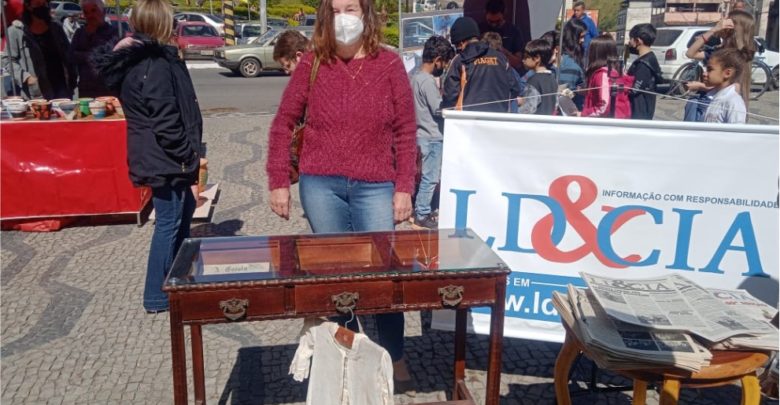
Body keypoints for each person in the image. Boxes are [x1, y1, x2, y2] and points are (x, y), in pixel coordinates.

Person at [265, 0, 417, 393]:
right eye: (335, 10)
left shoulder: (389, 64)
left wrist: (404, 187)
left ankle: (394, 354)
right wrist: (278, 179)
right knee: (336, 276)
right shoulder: (312, 63)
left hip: (376, 185)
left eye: (350, 8)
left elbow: (406, 130)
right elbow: (283, 122)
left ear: (366, 13)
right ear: (324, 16)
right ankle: (347, 357)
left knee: (385, 275)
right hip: (321, 185)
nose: (343, 17)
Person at [93, 0, 203, 313]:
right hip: (164, 156)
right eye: (171, 21)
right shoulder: (152, 64)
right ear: (160, 24)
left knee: (183, 211)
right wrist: (187, 154)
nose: (175, 26)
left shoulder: (152, 58)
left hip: (162, 154)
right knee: (169, 221)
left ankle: (177, 278)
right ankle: (157, 294)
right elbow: (165, 119)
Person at [411, 36, 454, 230]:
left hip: (421, 134)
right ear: (437, 60)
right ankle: (422, 213)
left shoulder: (414, 77)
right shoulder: (427, 81)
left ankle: (420, 208)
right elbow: (438, 109)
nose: (443, 66)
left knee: (424, 176)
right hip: (432, 136)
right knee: (431, 177)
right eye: (444, 62)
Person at [441, 16, 519, 113]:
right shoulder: (501, 58)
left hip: (468, 119)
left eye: (457, 46)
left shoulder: (459, 60)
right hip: (499, 118)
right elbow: (514, 88)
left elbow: (450, 96)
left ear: (461, 43)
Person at [4, 0, 75, 100]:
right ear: (28, 6)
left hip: (62, 89)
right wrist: (26, 77)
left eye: (44, 3)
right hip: (36, 93)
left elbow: (68, 54)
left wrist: (73, 76)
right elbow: (8, 60)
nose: (43, 6)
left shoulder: (56, 28)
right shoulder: (16, 31)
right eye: (38, 3)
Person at [684, 10, 755, 108]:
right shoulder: (719, 50)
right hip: (710, 101)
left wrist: (701, 86)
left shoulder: (739, 55)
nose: (721, 22)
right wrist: (712, 31)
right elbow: (690, 53)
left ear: (733, 27)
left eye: (726, 20)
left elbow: (732, 87)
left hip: (719, 105)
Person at [70, 0, 118, 98]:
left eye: (93, 10)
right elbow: (71, 56)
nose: (90, 15)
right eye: (86, 12)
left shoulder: (114, 33)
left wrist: (85, 55)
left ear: (103, 12)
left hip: (108, 90)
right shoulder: (79, 33)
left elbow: (108, 58)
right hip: (86, 90)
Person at [627, 23, 662, 120]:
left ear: (638, 41)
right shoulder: (649, 58)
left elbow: (635, 89)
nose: (629, 42)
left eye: (631, 39)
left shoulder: (644, 64)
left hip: (639, 111)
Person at [703, 47, 747, 123]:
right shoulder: (713, 96)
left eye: (710, 69)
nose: (704, 73)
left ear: (727, 73)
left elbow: (736, 129)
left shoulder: (734, 102)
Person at [481, 0, 527, 72]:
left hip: (506, 72)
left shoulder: (513, 31)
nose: (494, 25)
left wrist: (502, 50)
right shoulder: (480, 29)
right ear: (485, 13)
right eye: (490, 21)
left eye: (498, 21)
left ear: (504, 13)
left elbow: (518, 63)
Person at [580, 34, 619, 117]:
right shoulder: (612, 72)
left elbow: (603, 106)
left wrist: (582, 114)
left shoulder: (602, 75)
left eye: (591, 51)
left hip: (599, 122)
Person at [482, 31, 520, 112]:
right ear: (500, 48)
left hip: (477, 107)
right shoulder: (504, 63)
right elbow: (515, 88)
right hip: (500, 108)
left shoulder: (475, 63)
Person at [519, 39, 557, 115]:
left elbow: (528, 108)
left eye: (526, 57)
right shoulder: (552, 79)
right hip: (548, 120)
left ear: (537, 58)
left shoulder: (533, 80)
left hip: (535, 121)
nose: (523, 60)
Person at [558, 18, 587, 109]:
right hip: (569, 107)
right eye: (581, 37)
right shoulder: (569, 63)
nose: (583, 40)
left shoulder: (571, 58)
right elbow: (567, 89)